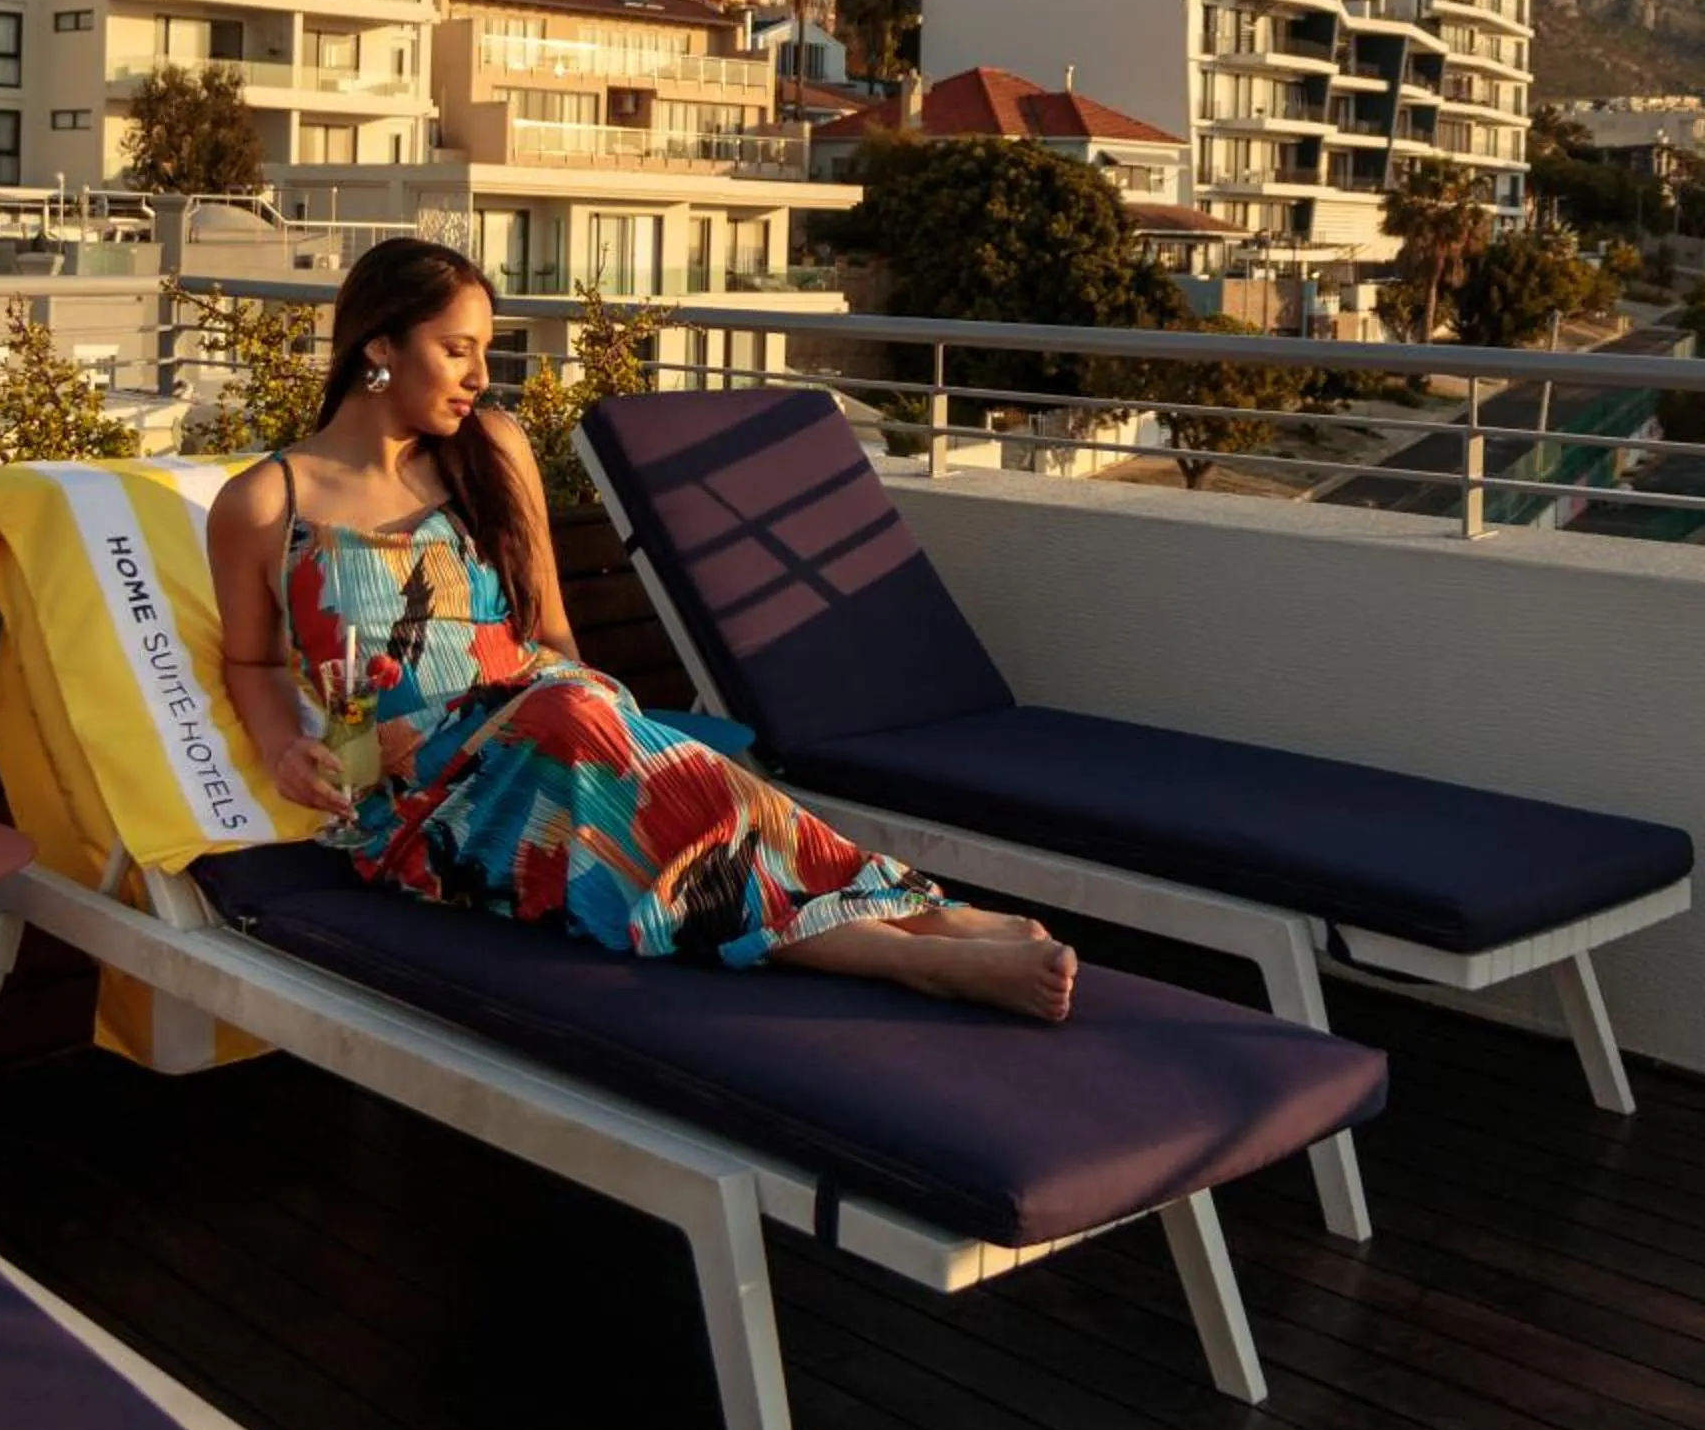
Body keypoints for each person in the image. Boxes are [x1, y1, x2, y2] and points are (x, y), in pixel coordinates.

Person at [208, 237, 1075, 1020]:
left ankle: (932, 918)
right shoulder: (266, 504)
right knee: (601, 752)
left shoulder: (493, 449)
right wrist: (287, 751)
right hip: (418, 801)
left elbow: (548, 631)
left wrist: (595, 730)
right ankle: (907, 960)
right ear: (379, 347)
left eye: (487, 350)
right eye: (456, 350)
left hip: (545, 726)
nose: (480, 376)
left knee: (672, 771)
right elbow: (250, 660)